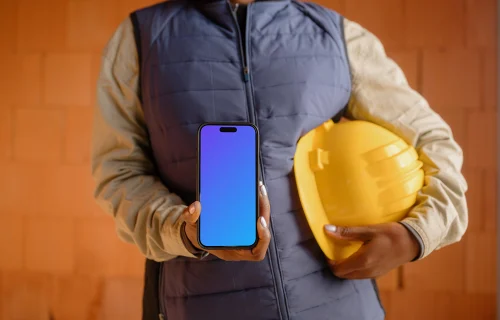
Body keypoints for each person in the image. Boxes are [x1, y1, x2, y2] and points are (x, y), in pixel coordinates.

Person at [91, 0, 468, 319]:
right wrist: (182, 230)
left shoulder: (337, 35)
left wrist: (415, 236)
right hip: (200, 305)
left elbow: (433, 142)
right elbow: (119, 172)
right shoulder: (141, 38)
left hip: (341, 307)